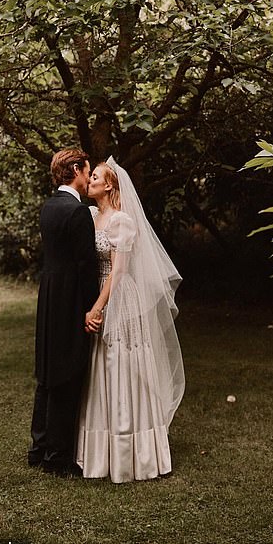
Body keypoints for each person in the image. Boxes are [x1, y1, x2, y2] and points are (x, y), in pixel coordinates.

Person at [77, 157, 185, 483]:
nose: (90, 181)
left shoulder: (121, 221)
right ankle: (98, 451)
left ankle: (132, 453)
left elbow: (121, 270)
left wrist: (97, 308)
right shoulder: (91, 215)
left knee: (121, 363)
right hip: (98, 289)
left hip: (119, 295)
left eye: (95, 177)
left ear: (109, 185)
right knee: (99, 366)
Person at [28, 148, 100, 476]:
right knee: (66, 374)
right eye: (86, 171)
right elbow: (86, 267)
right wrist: (91, 308)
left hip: (49, 295)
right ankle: (57, 458)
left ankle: (39, 447)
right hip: (70, 298)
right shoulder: (78, 212)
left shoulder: (49, 207)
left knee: (46, 372)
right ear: (75, 169)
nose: (88, 178)